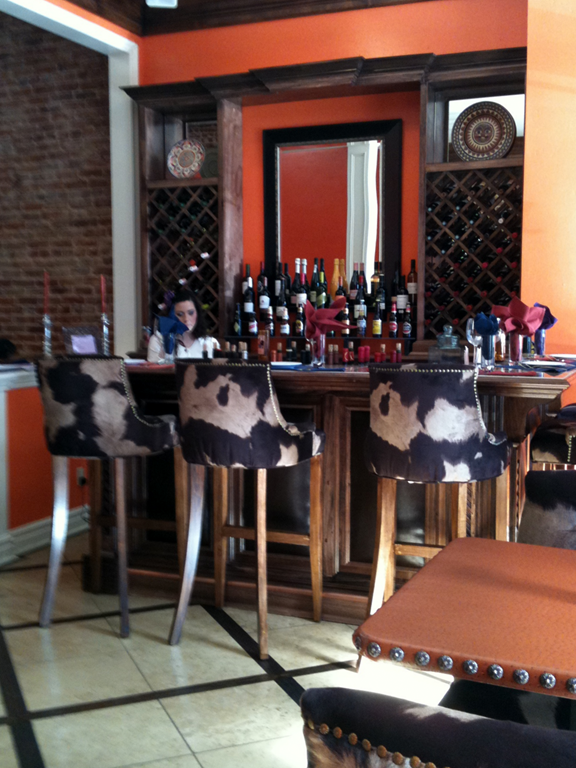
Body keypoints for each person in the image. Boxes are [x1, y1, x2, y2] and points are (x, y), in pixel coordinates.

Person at [147, 289, 220, 362]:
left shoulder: (211, 343)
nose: (186, 319)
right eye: (180, 314)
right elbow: (153, 368)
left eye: (191, 313)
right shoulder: (158, 342)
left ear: (197, 313)